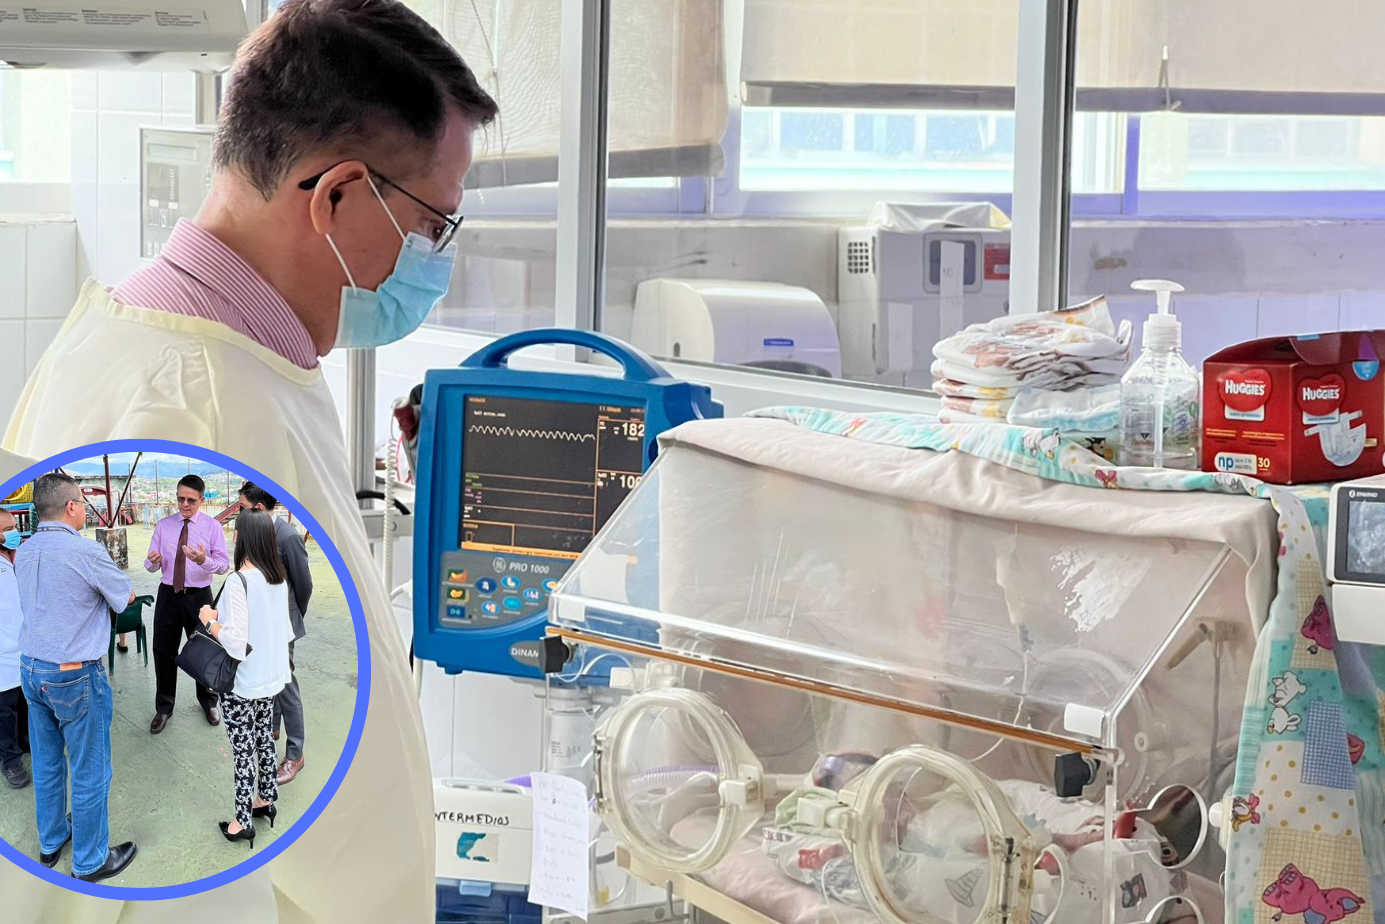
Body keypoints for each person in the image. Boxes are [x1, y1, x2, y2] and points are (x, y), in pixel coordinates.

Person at [3, 1, 496, 919]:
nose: (434, 257)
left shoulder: (179, 346)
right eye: (434, 222)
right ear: (337, 195)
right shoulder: (196, 402)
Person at [15, 474, 138, 882]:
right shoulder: (86, 552)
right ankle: (89, 861)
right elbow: (125, 596)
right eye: (83, 502)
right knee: (90, 770)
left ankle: (51, 841)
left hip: (32, 670)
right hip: (73, 675)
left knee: (48, 762)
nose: (84, 509)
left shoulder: (25, 550)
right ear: (71, 507)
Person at [197, 509, 293, 851]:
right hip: (269, 678)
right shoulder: (278, 579)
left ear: (242, 538)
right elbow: (284, 632)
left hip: (242, 682)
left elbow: (235, 641)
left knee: (242, 751)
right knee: (264, 739)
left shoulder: (239, 582)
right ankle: (265, 799)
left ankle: (242, 822)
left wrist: (210, 620)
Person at [239, 482, 313, 785]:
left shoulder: (287, 536)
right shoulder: (254, 532)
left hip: (281, 626)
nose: (240, 512)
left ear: (258, 508)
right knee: (268, 677)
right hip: (260, 623)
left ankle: (295, 754)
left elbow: (303, 585)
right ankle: (272, 725)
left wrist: (292, 618)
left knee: (285, 685)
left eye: (242, 507)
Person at [146, 475, 231, 733]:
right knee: (163, 651)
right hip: (169, 595)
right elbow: (150, 565)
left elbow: (224, 566)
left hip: (199, 597)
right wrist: (153, 562)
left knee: (204, 651)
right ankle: (164, 707)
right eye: (181, 498)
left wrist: (204, 560)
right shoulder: (164, 526)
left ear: (201, 500)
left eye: (191, 500)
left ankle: (209, 701)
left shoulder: (212, 527)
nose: (185, 504)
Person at [0, 508, 30, 790]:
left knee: (24, 701)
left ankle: (25, 741)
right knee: (5, 711)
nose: (14, 533)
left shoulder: (15, 557)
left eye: (13, 527)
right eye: (7, 529)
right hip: (2, 653)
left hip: (23, 647)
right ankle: (10, 760)